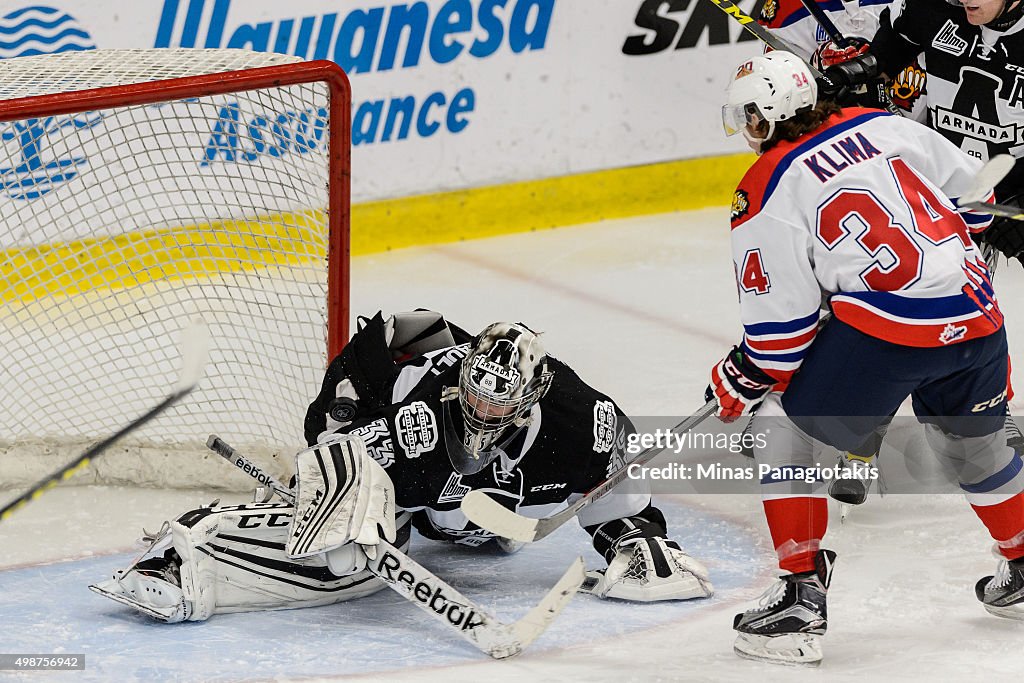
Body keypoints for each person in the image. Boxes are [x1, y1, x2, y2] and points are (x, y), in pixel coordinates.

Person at [90, 310, 713, 623]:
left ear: (530, 398)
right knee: (347, 569)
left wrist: (638, 539)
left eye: (499, 404)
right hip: (406, 471)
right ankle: (188, 549)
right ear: (462, 378)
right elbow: (339, 454)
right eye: (474, 395)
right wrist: (344, 503)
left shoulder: (584, 423)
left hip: (475, 522)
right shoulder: (420, 418)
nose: (481, 412)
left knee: (467, 537)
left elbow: (616, 488)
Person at [711, 51, 1024, 665]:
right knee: (973, 443)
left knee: (780, 428)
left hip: (890, 337)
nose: (747, 130)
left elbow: (782, 334)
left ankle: (800, 594)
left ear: (770, 117)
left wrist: (740, 377)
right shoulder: (878, 123)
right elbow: (974, 197)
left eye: (749, 117)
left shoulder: (766, 185)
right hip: (976, 315)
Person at [757, 0, 928, 120]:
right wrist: (816, 68)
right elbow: (780, 88)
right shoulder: (784, 8)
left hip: (936, 126)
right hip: (851, 143)